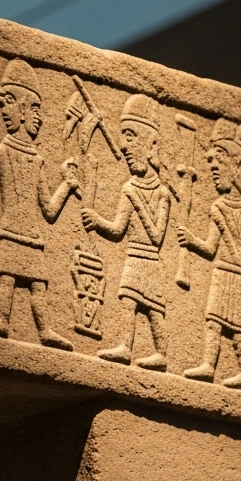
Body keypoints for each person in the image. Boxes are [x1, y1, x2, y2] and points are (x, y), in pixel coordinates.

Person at [0, 59, 80, 350]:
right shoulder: (5, 148)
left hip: (32, 231)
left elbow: (49, 209)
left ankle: (44, 331)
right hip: (11, 226)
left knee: (37, 284)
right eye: (3, 105)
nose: (4, 112)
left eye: (8, 104)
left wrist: (67, 185)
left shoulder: (38, 158)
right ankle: (2, 321)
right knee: (6, 276)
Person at [80, 94, 173, 370]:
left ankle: (162, 354)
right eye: (123, 137)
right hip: (133, 256)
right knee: (127, 300)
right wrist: (97, 220)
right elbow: (118, 229)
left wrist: (137, 200)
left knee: (155, 310)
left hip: (149, 260)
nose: (124, 146)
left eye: (131, 136)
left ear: (151, 144)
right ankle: (125, 346)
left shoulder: (162, 193)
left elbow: (157, 236)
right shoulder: (129, 187)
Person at [178, 119, 241, 389]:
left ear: (236, 165)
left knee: (237, 331)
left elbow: (238, 257)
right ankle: (209, 366)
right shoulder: (217, 205)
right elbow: (211, 248)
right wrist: (190, 240)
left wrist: (223, 221)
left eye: (219, 164)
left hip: (234, 277)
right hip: (219, 274)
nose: (213, 170)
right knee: (212, 322)